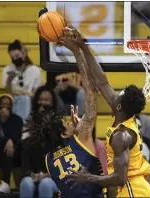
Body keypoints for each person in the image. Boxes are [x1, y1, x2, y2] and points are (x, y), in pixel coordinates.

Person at [61, 27, 150, 198]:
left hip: (133, 191)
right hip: (131, 188)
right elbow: (101, 81)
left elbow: (120, 178)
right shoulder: (124, 115)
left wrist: (88, 177)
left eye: (118, 95)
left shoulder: (121, 136)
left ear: (119, 106)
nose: (114, 94)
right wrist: (83, 47)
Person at [25, 35, 104, 198]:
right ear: (62, 133)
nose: (69, 122)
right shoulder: (81, 141)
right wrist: (77, 51)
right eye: (65, 123)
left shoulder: (50, 161)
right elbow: (91, 95)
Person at [20, 86, 59, 198]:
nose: (43, 103)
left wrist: (47, 175)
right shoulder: (29, 126)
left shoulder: (59, 127)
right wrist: (33, 174)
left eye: (46, 100)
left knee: (45, 184)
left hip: (54, 177)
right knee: (26, 183)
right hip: (34, 174)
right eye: (40, 100)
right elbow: (25, 159)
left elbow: (64, 161)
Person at [0, 93, 23, 193]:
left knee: (7, 148)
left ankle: (6, 183)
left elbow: (17, 137)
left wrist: (5, 121)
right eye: (2, 104)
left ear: (11, 106)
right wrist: (7, 140)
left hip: (15, 155)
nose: (5, 106)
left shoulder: (17, 120)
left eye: (8, 104)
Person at [2, 40, 42, 123]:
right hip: (14, 102)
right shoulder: (7, 70)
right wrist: (9, 80)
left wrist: (25, 94)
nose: (15, 59)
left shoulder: (35, 70)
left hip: (30, 103)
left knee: (25, 99)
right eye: (12, 57)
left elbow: (36, 92)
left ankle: (23, 125)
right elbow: (9, 93)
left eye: (17, 55)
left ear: (23, 54)